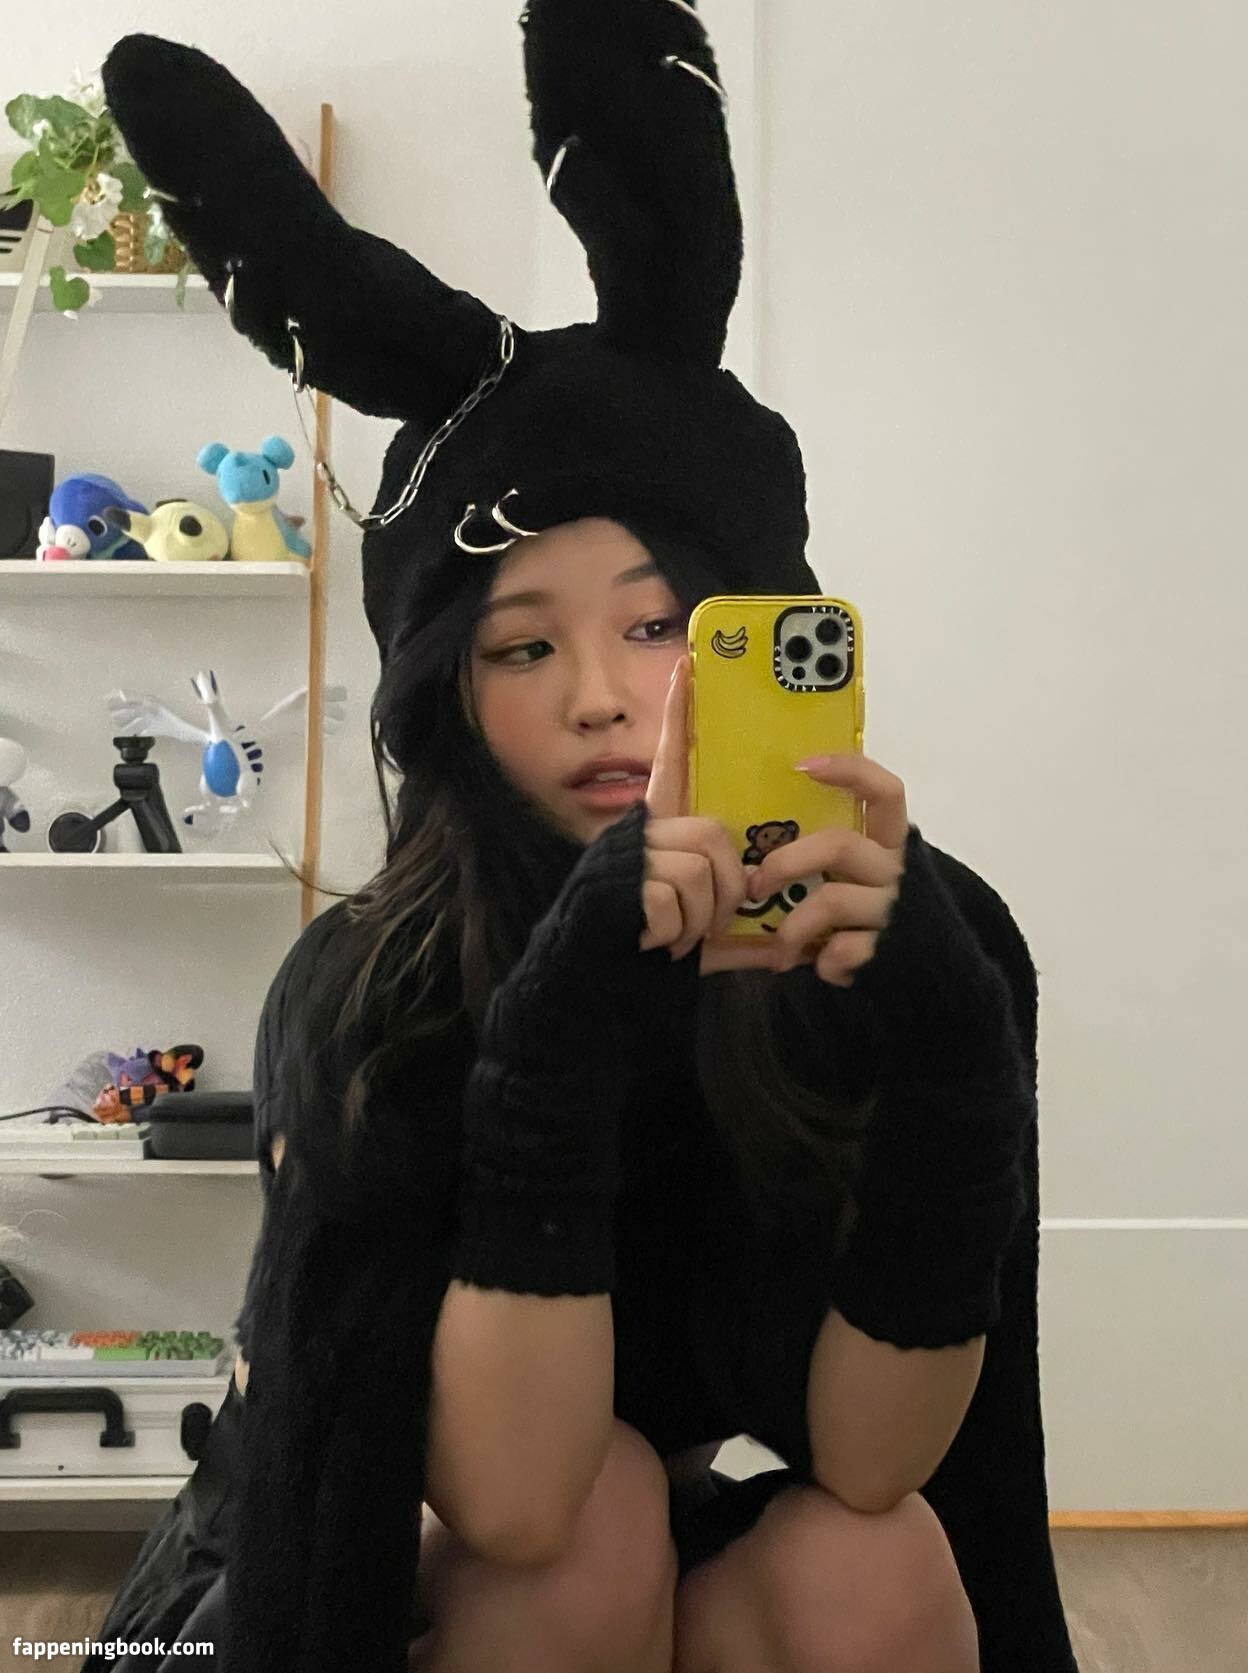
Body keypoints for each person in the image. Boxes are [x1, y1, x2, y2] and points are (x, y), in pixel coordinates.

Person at [86, 7, 1079, 1671]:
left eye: (662, 623)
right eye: (524, 643)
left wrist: (954, 1049)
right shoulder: (381, 977)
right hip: (422, 1545)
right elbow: (523, 1501)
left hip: (706, 1524)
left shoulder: (903, 927)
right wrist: (562, 1017)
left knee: (869, 1563)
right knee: (591, 1531)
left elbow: (881, 1462)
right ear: (448, 689)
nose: (606, 696)